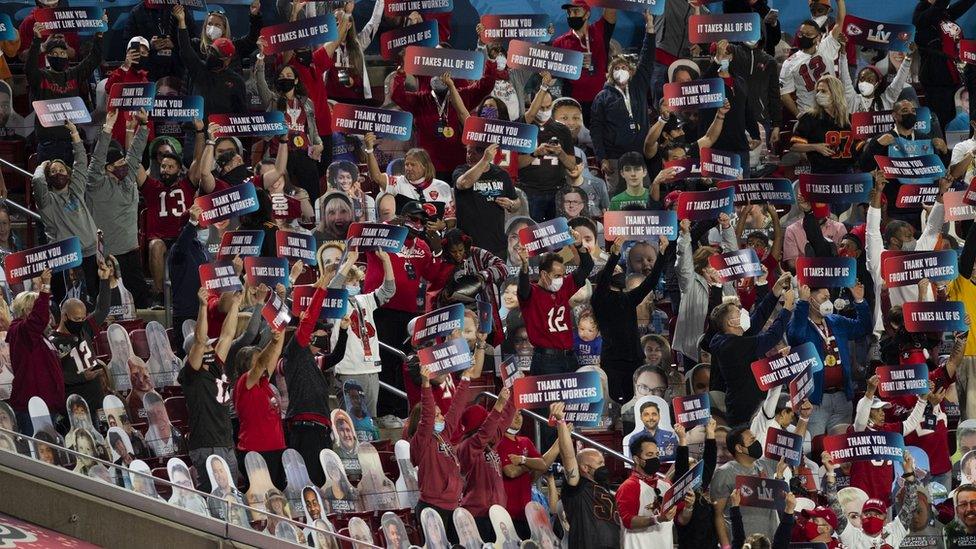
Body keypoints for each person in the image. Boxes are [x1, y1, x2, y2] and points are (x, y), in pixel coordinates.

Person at [708, 272, 795, 426]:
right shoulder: (732, 346)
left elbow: (758, 318)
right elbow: (772, 337)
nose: (743, 313)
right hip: (744, 412)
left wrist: (775, 290)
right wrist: (787, 308)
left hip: (750, 405)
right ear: (731, 323)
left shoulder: (730, 338)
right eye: (738, 312)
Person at [785, 283, 871, 437]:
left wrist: (859, 301)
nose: (828, 302)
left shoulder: (836, 320)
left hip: (842, 398)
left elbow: (863, 329)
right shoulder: (800, 324)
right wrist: (802, 304)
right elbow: (796, 337)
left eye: (829, 298)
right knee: (815, 447)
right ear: (811, 300)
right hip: (815, 401)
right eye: (824, 298)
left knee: (841, 451)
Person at [87, 109, 151, 309]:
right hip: (105, 257)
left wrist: (144, 126)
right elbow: (97, 160)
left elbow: (136, 153)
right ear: (108, 168)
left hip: (131, 254)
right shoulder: (96, 185)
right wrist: (108, 127)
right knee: (106, 306)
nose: (125, 164)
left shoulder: (128, 180)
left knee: (140, 303)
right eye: (119, 163)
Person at [180, 287, 242, 493]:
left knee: (231, 496)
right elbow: (199, 339)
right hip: (205, 444)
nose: (210, 348)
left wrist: (235, 304)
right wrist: (203, 306)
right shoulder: (191, 373)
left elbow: (227, 335)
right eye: (207, 347)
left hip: (225, 441)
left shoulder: (216, 365)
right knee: (213, 496)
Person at [590, 11, 655, 193]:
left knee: (642, 198)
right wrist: (602, 158)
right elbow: (596, 129)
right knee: (617, 199)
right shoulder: (602, 97)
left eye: (624, 67)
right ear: (610, 74)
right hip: (614, 158)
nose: (620, 70)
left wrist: (650, 28)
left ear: (631, 71)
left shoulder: (638, 86)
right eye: (616, 68)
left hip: (639, 155)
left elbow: (647, 58)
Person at [25, 19, 104, 164]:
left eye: (62, 53)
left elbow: (93, 59)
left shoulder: (73, 74)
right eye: (54, 53)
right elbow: (29, 67)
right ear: (48, 56)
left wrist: (98, 35)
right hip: (48, 144)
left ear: (67, 56)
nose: (59, 55)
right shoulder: (41, 77)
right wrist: (36, 40)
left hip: (72, 141)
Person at [516, 232, 594, 375]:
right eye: (557, 276)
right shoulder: (531, 293)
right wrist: (524, 266)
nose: (562, 279)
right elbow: (523, 286)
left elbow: (587, 266)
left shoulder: (564, 286)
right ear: (544, 275)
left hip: (570, 357)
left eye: (563, 275)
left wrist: (578, 245)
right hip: (546, 360)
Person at [331, 248, 395, 420]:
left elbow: (389, 290)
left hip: (371, 368)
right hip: (349, 370)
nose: (356, 286)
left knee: (371, 422)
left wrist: (386, 260)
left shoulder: (364, 299)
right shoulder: (335, 304)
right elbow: (333, 290)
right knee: (354, 421)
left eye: (358, 282)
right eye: (352, 282)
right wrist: (350, 262)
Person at [7, 270, 60, 435]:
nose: (44, 313)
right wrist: (44, 288)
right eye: (33, 308)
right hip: (32, 407)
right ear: (23, 311)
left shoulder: (39, 335)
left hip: (46, 406)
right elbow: (37, 319)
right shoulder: (19, 331)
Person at [518, 77, 577, 223]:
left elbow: (572, 165)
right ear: (532, 105)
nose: (544, 111)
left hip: (557, 191)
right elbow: (516, 164)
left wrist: (560, 153)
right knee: (533, 236)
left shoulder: (562, 130)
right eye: (541, 107)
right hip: (530, 191)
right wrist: (535, 153)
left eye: (548, 107)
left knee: (557, 237)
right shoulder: (523, 126)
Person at [711, 426, 781, 548]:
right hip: (742, 543)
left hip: (770, 542)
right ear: (739, 448)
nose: (756, 443)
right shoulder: (724, 473)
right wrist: (726, 546)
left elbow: (793, 448)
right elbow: (718, 514)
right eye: (752, 440)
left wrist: (803, 418)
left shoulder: (765, 464)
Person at [173, 5, 247, 118]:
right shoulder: (199, 69)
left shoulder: (236, 81)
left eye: (216, 54)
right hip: (196, 129)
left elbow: (241, 115)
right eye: (211, 50)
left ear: (227, 60)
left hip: (222, 131)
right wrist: (182, 22)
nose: (211, 55)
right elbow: (185, 48)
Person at [453, 143, 521, 259]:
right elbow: (464, 183)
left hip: (497, 245)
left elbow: (517, 202)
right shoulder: (461, 171)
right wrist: (484, 160)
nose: (471, 155)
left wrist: (511, 204)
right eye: (469, 151)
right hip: (469, 246)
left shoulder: (501, 174)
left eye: (476, 151)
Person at [779, 0, 845, 118]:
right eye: (801, 34)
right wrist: (799, 115)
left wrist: (840, 1)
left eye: (808, 34)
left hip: (833, 111)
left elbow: (840, 21)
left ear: (817, 38)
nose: (804, 37)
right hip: (808, 114)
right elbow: (784, 93)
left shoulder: (826, 46)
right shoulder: (788, 63)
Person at [551, 0, 616, 118]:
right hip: (573, 102)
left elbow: (611, 10)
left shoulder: (599, 31)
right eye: (569, 12)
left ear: (587, 14)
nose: (571, 16)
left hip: (600, 99)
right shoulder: (559, 42)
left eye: (576, 12)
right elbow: (554, 74)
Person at [790, 75, 855, 175]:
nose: (818, 95)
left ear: (835, 94)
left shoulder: (850, 119)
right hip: (820, 174)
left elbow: (859, 149)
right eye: (818, 91)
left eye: (823, 91)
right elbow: (794, 146)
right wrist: (816, 147)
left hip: (847, 174)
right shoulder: (809, 117)